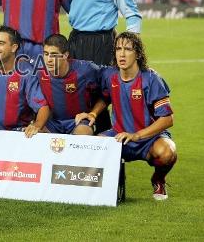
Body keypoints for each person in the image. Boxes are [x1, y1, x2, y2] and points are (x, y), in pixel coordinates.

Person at [76, 32, 177, 200]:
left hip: (149, 138)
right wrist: (93, 113)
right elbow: (106, 96)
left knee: (167, 153)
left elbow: (167, 119)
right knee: (92, 148)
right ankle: (109, 189)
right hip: (119, 136)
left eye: (128, 49)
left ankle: (158, 179)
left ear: (137, 54)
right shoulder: (110, 75)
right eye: (118, 49)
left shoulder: (151, 79)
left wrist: (137, 135)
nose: (121, 54)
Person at [38, 34, 100, 135]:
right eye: (46, 54)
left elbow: (106, 93)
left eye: (54, 55)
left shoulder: (86, 70)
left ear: (65, 55)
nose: (48, 59)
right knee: (33, 134)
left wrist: (93, 113)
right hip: (52, 123)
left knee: (84, 133)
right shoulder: (38, 73)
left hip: (79, 122)